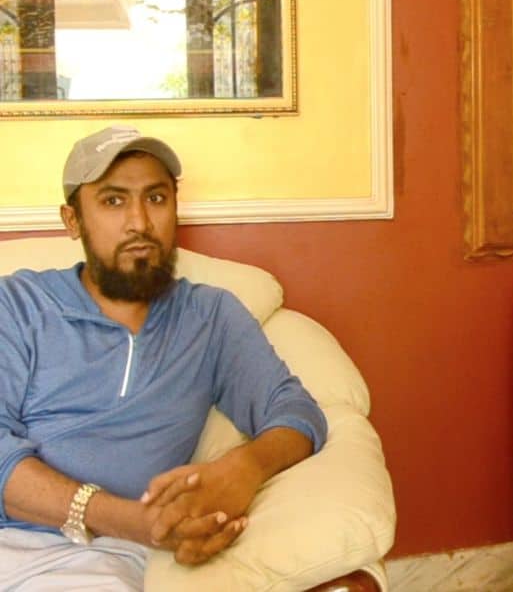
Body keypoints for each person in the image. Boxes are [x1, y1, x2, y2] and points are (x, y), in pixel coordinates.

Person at [0, 126, 328, 589]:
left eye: (156, 199)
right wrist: (131, 520)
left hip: (96, 562)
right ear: (72, 221)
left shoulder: (210, 317)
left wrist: (244, 468)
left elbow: (296, 413)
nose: (139, 222)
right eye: (113, 201)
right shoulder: (18, 305)